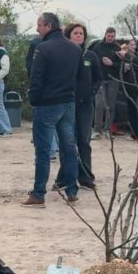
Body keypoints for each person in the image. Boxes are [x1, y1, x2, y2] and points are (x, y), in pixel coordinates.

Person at [22, 12, 82, 208]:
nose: (37, 28)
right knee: (69, 149)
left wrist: (34, 100)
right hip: (68, 102)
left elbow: (36, 78)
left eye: (39, 25)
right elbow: (78, 76)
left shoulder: (43, 48)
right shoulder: (74, 48)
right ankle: (72, 191)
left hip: (47, 103)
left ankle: (39, 193)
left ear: (48, 25)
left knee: (43, 151)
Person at [54, 22, 102, 190]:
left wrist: (92, 91)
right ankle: (64, 178)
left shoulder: (90, 56)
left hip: (85, 106)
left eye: (81, 33)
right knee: (67, 141)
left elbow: (98, 78)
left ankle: (86, 177)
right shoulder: (63, 55)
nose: (79, 36)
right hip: (66, 104)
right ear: (68, 36)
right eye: (75, 33)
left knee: (83, 140)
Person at [91, 26, 122, 138]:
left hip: (113, 80)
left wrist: (112, 64)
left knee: (111, 106)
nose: (110, 38)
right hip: (100, 80)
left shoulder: (118, 48)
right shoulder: (98, 47)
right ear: (105, 35)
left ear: (115, 36)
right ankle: (97, 130)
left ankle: (108, 130)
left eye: (112, 36)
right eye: (109, 36)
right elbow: (93, 62)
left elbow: (121, 66)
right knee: (99, 105)